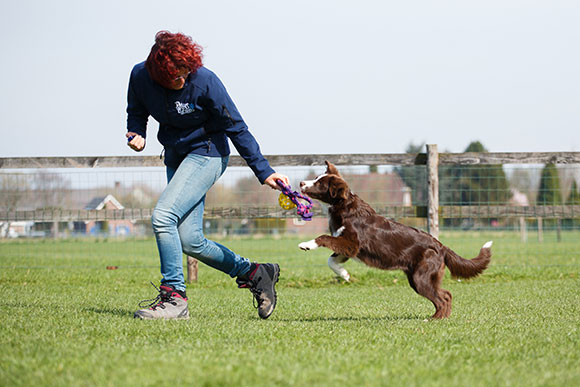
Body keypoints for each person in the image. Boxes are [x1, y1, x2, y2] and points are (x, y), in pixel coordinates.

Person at [126, 31, 290, 320]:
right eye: (177, 76)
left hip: (208, 153)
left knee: (163, 217)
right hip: (177, 155)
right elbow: (137, 108)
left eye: (187, 72)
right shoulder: (140, 76)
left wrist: (264, 171)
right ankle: (255, 273)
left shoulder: (205, 81)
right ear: (158, 73)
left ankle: (174, 298)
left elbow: (237, 127)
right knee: (190, 241)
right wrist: (137, 130)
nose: (184, 79)